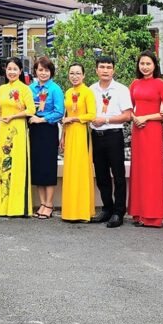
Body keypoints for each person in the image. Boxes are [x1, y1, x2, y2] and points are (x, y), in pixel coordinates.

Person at [89, 56, 133, 227]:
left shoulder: (121, 89)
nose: (105, 70)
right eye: (102, 67)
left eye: (108, 67)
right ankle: (107, 208)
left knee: (118, 175)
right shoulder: (91, 89)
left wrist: (106, 120)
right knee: (101, 175)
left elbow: (127, 115)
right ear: (96, 70)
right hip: (96, 135)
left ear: (113, 70)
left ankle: (118, 211)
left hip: (114, 135)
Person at [129, 52, 163, 228]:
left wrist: (145, 117)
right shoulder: (135, 84)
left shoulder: (161, 84)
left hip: (152, 130)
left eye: (148, 63)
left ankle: (153, 216)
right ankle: (139, 213)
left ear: (155, 65)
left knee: (152, 171)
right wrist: (134, 118)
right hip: (137, 130)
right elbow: (128, 107)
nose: (145, 67)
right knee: (138, 170)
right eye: (142, 63)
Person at [0, 57, 35, 217]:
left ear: (20, 71)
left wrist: (13, 116)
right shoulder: (2, 88)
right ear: (5, 70)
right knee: (3, 166)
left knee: (17, 166)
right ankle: (3, 206)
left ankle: (17, 207)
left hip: (18, 129)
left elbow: (31, 110)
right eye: (9, 69)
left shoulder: (25, 89)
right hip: (4, 129)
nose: (11, 72)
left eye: (15, 69)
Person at [28, 56, 65, 219]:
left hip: (48, 129)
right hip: (33, 130)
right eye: (40, 70)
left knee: (48, 167)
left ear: (51, 72)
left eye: (47, 70)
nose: (43, 73)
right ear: (35, 71)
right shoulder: (31, 88)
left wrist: (41, 119)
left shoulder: (55, 89)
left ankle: (49, 204)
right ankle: (42, 203)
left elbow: (59, 112)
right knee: (37, 167)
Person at [60, 63, 97, 223]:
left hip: (82, 132)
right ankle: (70, 211)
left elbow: (92, 115)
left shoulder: (87, 92)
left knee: (81, 171)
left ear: (83, 75)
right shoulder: (68, 92)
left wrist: (75, 119)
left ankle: (83, 211)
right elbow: (65, 115)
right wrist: (63, 136)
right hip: (70, 133)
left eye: (78, 73)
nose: (74, 76)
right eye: (72, 73)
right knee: (70, 171)